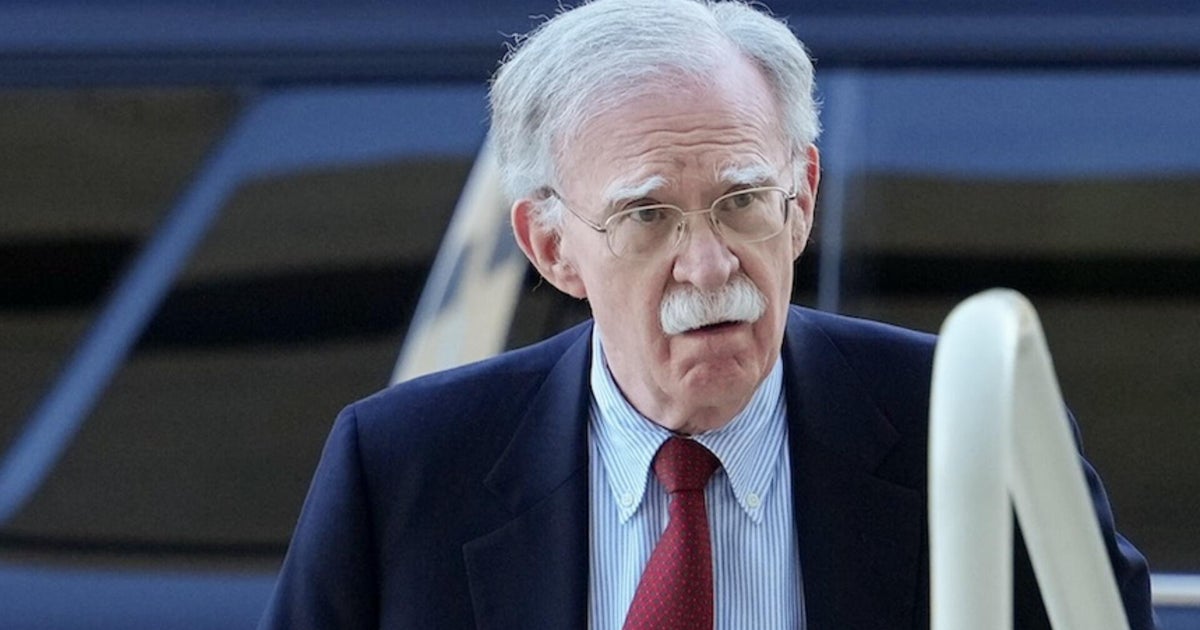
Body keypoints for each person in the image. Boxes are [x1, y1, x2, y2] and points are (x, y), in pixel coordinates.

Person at [258, 1, 1156, 628]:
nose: (710, 263)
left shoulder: (968, 425)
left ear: (802, 200)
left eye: (742, 201)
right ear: (551, 246)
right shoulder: (403, 471)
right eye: (648, 217)